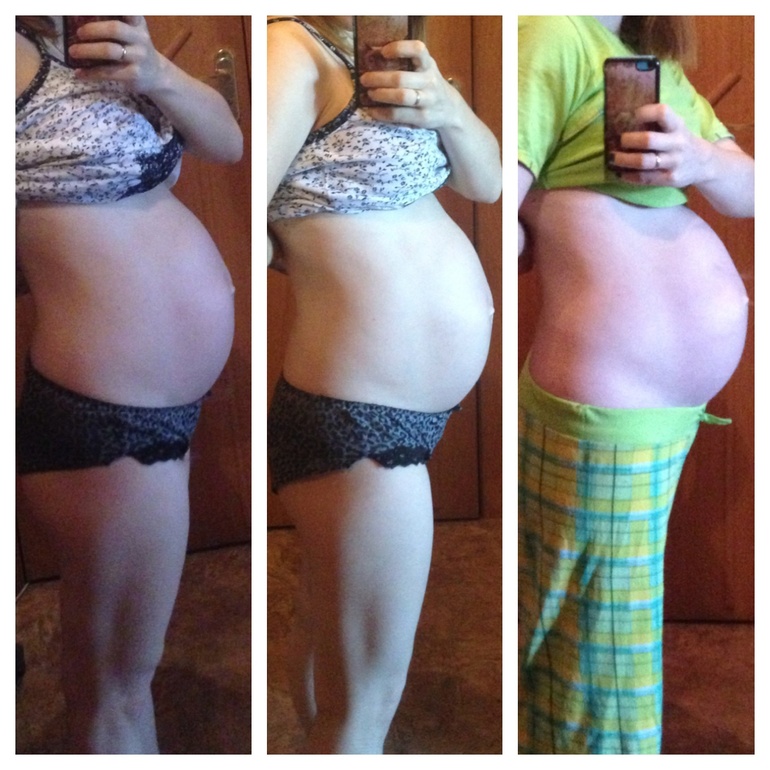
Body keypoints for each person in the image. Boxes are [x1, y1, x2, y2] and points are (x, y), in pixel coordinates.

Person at [518, 16, 753, 754]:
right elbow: (497, 198)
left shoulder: (649, 58)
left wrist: (699, 159)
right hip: (607, 396)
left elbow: (751, 191)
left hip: (652, 406)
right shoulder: (553, 31)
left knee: (604, 624)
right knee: (596, 647)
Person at [267, 15, 501, 754]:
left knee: (328, 628)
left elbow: (488, 182)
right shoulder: (292, 49)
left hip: (387, 413)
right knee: (365, 705)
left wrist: (446, 105)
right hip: (357, 415)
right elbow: (245, 210)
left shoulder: (382, 60)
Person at [15, 16, 243, 753]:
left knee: (117, 671)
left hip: (151, 410)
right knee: (113, 687)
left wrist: (157, 74)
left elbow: (228, 143)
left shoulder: (75, 44)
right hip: (104, 418)